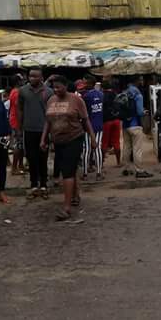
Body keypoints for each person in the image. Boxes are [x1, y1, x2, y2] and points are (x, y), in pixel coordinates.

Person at [41, 76, 96, 222]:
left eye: (59, 87)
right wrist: (43, 139)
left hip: (74, 139)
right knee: (69, 170)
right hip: (57, 141)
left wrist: (92, 138)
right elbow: (48, 122)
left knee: (67, 172)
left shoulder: (76, 100)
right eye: (54, 87)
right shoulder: (51, 100)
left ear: (66, 86)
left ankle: (66, 207)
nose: (56, 90)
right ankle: (75, 194)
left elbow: (85, 120)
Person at [18, 67, 53, 200]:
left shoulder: (48, 92)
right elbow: (20, 109)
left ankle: (44, 185)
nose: (32, 78)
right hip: (28, 130)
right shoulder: (23, 91)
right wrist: (19, 128)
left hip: (44, 130)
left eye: (35, 76)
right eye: (30, 76)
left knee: (43, 158)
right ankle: (33, 185)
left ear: (41, 77)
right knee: (31, 159)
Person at [122, 76, 153, 178]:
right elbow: (139, 112)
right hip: (135, 124)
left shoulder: (125, 92)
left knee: (126, 147)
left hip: (125, 124)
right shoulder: (138, 94)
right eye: (140, 79)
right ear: (136, 81)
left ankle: (126, 169)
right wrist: (144, 111)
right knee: (137, 148)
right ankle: (139, 170)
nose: (142, 81)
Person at [82, 74, 104, 180]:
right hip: (99, 125)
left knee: (87, 149)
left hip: (88, 126)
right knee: (98, 148)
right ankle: (99, 172)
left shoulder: (86, 97)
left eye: (85, 82)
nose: (83, 84)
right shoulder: (101, 94)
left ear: (90, 84)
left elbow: (83, 114)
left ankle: (85, 173)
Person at [101, 80, 122, 167]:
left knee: (104, 142)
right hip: (116, 120)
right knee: (116, 142)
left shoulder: (102, 96)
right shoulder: (116, 95)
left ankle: (101, 163)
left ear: (102, 88)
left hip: (106, 121)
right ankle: (118, 162)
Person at [8, 74, 25, 176]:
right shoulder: (16, 93)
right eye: (22, 80)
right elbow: (18, 110)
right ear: (18, 82)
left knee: (20, 145)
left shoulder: (15, 92)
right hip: (16, 122)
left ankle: (21, 165)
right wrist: (19, 125)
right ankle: (14, 168)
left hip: (16, 122)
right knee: (17, 146)